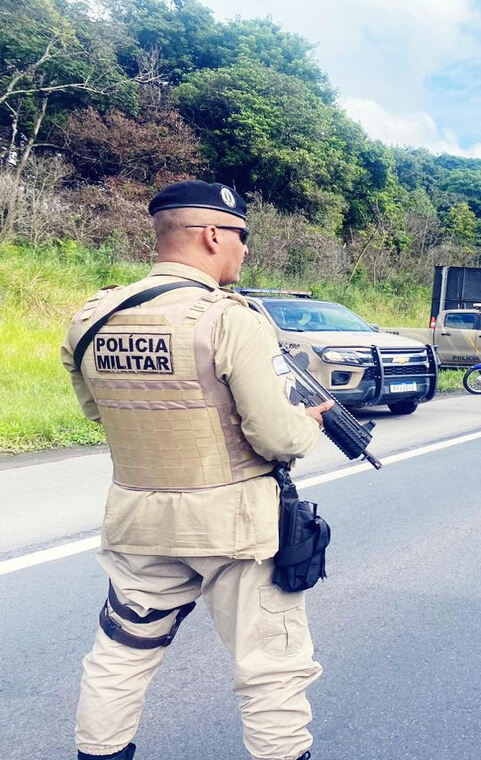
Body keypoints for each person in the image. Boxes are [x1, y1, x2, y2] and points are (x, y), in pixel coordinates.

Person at [61, 181, 332, 760]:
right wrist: (308, 423)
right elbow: (275, 435)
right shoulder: (230, 319)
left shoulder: (92, 316)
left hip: (138, 518)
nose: (244, 250)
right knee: (272, 668)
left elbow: (99, 413)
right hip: (233, 525)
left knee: (121, 653)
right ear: (213, 235)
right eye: (242, 236)